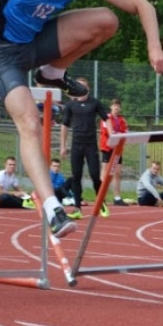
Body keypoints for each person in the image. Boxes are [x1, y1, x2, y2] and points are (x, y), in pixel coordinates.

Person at [0, 0, 163, 238]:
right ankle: (52, 208)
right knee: (30, 123)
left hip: (36, 42)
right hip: (0, 52)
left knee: (107, 20)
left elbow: (143, 5)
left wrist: (154, 47)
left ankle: (53, 73)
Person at [59, 76, 107, 219]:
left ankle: (101, 203)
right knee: (76, 176)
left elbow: (106, 118)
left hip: (91, 145)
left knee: (94, 175)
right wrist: (63, 146)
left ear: (88, 88)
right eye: (78, 86)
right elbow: (65, 125)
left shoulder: (94, 103)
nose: (80, 88)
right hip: (76, 145)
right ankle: (77, 208)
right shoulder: (70, 105)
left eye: (83, 86)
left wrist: (113, 137)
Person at [99, 98, 129, 211]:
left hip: (118, 149)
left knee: (117, 173)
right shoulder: (106, 118)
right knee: (105, 172)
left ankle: (117, 197)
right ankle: (102, 196)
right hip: (108, 148)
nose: (116, 108)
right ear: (111, 107)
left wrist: (120, 136)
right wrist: (116, 136)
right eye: (114, 105)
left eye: (118, 106)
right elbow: (107, 133)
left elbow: (125, 132)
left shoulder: (122, 120)